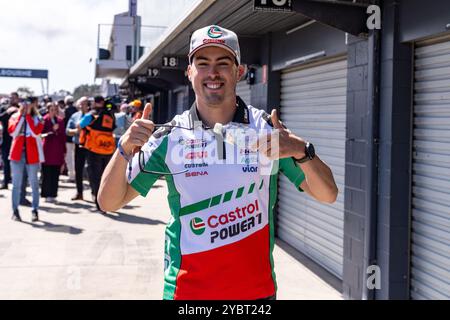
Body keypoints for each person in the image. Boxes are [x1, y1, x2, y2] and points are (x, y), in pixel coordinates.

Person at [98, 25, 338, 300]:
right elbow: (109, 202)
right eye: (203, 64)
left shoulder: (266, 130)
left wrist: (299, 149)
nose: (213, 73)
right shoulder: (171, 136)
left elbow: (327, 194)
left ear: (239, 71)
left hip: (256, 296)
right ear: (189, 73)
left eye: (223, 63)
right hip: (186, 295)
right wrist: (124, 149)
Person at [8, 96, 44, 222]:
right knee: (16, 184)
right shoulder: (14, 116)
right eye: (23, 104)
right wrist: (22, 117)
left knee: (34, 184)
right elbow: (13, 133)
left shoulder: (38, 118)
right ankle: (15, 210)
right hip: (17, 154)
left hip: (32, 154)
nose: (26, 107)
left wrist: (28, 116)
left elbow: (35, 133)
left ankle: (35, 210)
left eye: (28, 104)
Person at [79, 95, 116, 212]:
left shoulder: (92, 114)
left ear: (95, 102)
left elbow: (80, 125)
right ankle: (106, 201)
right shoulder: (110, 115)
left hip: (94, 149)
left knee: (95, 177)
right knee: (105, 177)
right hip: (108, 149)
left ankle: (99, 203)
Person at [41, 102, 66, 202]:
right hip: (47, 149)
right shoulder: (44, 120)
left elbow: (63, 135)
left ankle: (53, 194)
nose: (53, 112)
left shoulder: (60, 120)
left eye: (55, 110)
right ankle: (46, 194)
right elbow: (40, 133)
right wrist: (51, 130)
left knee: (55, 173)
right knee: (46, 173)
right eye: (51, 109)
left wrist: (64, 150)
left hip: (57, 150)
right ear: (48, 110)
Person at [66, 96, 90, 200]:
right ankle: (79, 192)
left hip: (91, 146)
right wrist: (76, 131)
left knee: (92, 170)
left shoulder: (92, 115)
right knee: (78, 169)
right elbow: (67, 130)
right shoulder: (75, 116)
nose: (82, 106)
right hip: (78, 144)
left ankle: (95, 194)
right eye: (80, 104)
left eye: (84, 103)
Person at [0, 92, 19, 189]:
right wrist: (8, 111)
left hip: (18, 139)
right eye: (11, 98)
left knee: (17, 162)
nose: (12, 100)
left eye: (14, 98)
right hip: (6, 139)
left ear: (18, 99)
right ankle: (6, 181)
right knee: (6, 161)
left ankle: (18, 183)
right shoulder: (5, 108)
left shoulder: (21, 109)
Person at [63, 95, 77, 182]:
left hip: (68, 137)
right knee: (75, 157)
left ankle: (71, 176)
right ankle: (76, 175)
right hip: (76, 137)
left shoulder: (65, 111)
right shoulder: (76, 111)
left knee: (69, 158)